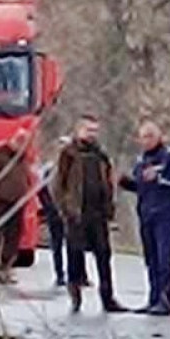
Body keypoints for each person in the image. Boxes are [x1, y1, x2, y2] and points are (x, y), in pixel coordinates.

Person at [54, 115, 126, 314]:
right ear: (78, 130)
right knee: (75, 256)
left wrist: (110, 208)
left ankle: (108, 297)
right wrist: (65, 209)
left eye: (95, 130)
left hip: (98, 213)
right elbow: (58, 184)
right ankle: (75, 296)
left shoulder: (100, 155)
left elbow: (108, 181)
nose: (92, 134)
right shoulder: (68, 154)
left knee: (104, 255)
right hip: (77, 212)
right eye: (88, 130)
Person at [120, 120, 170, 316]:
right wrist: (126, 183)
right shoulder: (141, 159)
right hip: (146, 214)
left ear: (159, 136)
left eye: (150, 136)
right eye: (143, 136)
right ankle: (153, 298)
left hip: (165, 215)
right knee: (151, 259)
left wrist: (159, 179)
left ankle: (165, 301)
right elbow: (141, 186)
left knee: (164, 258)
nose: (146, 140)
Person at [0, 129, 33, 283]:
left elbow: (26, 176)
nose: (23, 146)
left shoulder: (23, 157)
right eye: (21, 142)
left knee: (13, 237)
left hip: (18, 202)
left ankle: (4, 268)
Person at [37, 143, 69, 288]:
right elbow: (40, 189)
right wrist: (48, 207)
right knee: (56, 243)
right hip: (54, 211)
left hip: (69, 211)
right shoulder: (49, 169)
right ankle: (60, 274)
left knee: (73, 244)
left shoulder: (74, 168)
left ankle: (77, 274)